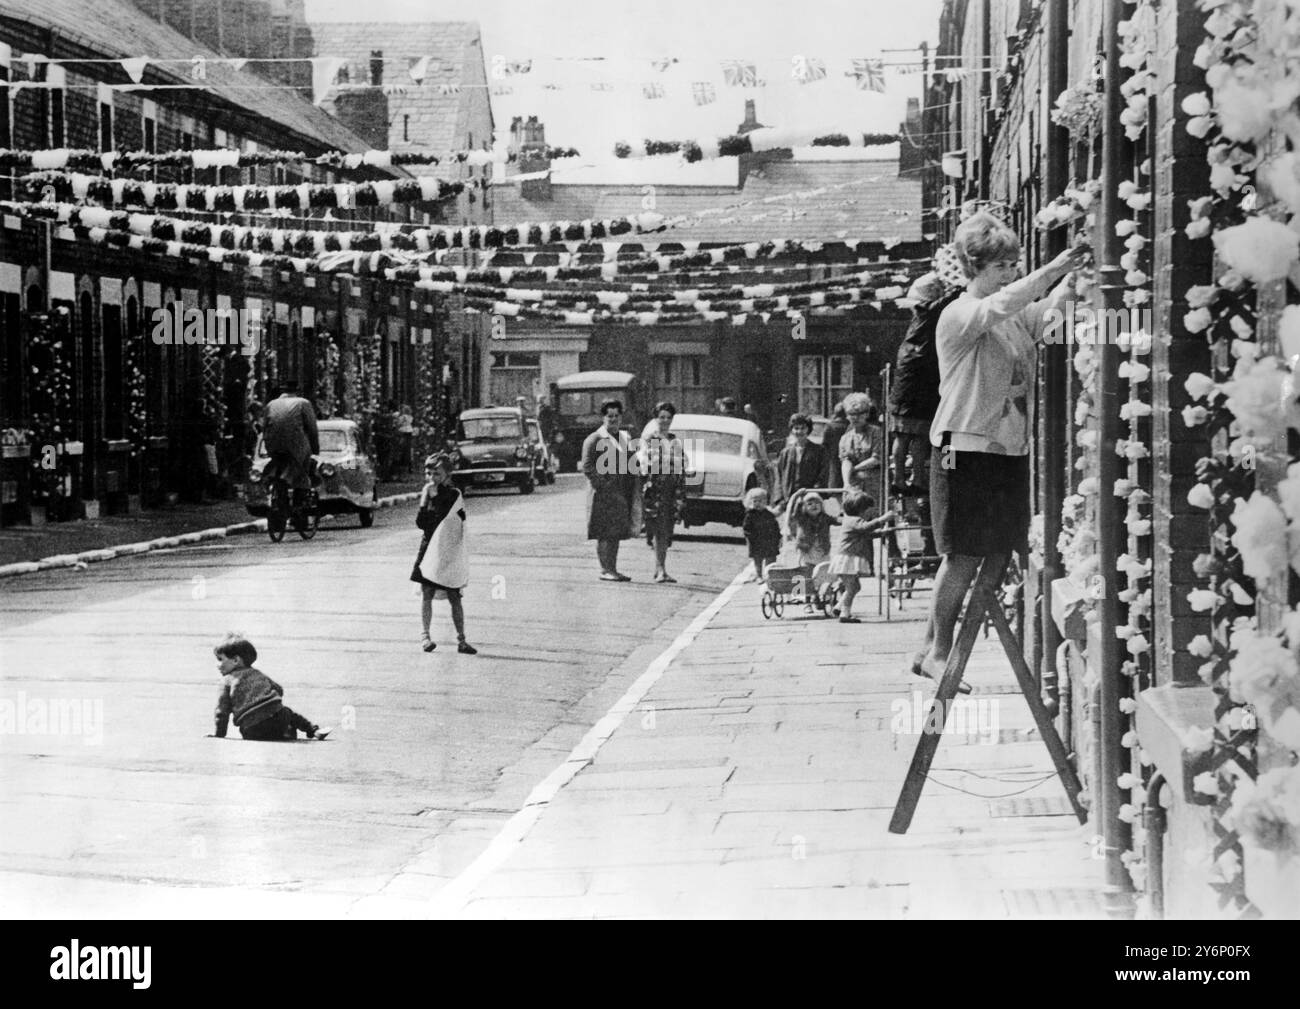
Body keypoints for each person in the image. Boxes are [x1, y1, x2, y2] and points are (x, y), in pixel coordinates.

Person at [915, 211, 1091, 685]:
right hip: (961, 449)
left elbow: (1045, 315)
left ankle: (943, 640)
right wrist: (1052, 268)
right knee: (963, 554)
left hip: (1007, 451)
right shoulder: (959, 314)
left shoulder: (1011, 317)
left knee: (997, 548)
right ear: (974, 268)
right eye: (1001, 267)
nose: (1011, 274)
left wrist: (1073, 279)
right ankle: (936, 649)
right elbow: (1010, 303)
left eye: (1015, 264)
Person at [890, 265, 962, 495]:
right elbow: (945, 302)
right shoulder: (928, 312)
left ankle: (899, 478)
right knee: (921, 435)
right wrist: (960, 285)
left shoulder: (918, 318)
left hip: (906, 380)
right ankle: (917, 479)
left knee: (903, 434)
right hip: (921, 378)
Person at [410, 453, 477, 654]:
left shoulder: (455, 494)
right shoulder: (427, 491)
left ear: (447, 474)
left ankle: (462, 640)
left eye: (437, 473)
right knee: (427, 593)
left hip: (448, 550)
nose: (432, 477)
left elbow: (459, 523)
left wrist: (436, 500)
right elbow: (421, 522)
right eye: (429, 473)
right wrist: (427, 498)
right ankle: (425, 636)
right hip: (429, 547)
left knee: (454, 594)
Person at [210, 633, 330, 741]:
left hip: (252, 728)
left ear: (236, 660)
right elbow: (279, 689)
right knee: (289, 714)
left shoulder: (226, 681)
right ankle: (313, 730)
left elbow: (221, 711)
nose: (217, 665)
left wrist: (219, 734)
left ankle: (283, 732)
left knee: (252, 731)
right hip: (278, 718)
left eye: (220, 659)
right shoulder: (257, 673)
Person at [581, 399, 640, 581]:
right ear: (603, 417)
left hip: (621, 492)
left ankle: (612, 568)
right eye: (609, 416)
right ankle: (605, 570)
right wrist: (603, 486)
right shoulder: (594, 439)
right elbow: (587, 466)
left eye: (616, 415)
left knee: (615, 533)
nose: (613, 419)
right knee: (604, 532)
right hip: (602, 494)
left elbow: (632, 462)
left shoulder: (624, 438)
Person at [639, 401, 689, 583]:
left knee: (667, 530)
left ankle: (660, 568)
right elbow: (643, 465)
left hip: (672, 489)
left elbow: (684, 463)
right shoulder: (648, 440)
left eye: (668, 418)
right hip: (656, 490)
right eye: (661, 417)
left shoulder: (675, 440)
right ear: (655, 419)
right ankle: (661, 569)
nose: (665, 421)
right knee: (658, 529)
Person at [827, 491, 893, 624]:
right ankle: (845, 614)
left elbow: (865, 534)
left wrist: (882, 533)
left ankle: (839, 607)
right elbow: (866, 528)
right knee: (852, 587)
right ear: (861, 509)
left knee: (855, 587)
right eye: (869, 510)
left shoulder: (852, 522)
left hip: (847, 559)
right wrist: (882, 520)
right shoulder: (854, 520)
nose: (870, 513)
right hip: (847, 559)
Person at [262, 381, 319, 504]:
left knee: (276, 463)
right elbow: (312, 429)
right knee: (303, 469)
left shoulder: (271, 404)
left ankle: (274, 487)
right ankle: (300, 498)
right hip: (296, 445)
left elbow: (264, 427)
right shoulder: (303, 403)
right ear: (297, 391)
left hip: (273, 445)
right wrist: (315, 450)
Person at [773, 412, 829, 511]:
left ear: (808, 429)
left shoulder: (819, 450)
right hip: (789, 499)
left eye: (803, 428)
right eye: (796, 428)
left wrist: (814, 493)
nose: (799, 431)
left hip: (810, 498)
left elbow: (823, 474)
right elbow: (779, 476)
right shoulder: (785, 452)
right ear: (792, 430)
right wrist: (780, 498)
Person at [839, 391, 884, 493]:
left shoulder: (876, 432)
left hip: (874, 484)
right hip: (854, 485)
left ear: (867, 414)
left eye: (859, 414)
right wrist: (846, 484)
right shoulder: (845, 438)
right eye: (851, 414)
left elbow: (877, 458)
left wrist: (854, 469)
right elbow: (845, 461)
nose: (855, 417)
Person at [785, 489, 836, 568]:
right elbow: (793, 511)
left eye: (817, 503)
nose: (814, 506)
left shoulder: (825, 518)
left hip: (822, 548)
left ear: (821, 506)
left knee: (822, 568)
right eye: (809, 504)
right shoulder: (802, 518)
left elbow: (839, 521)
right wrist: (797, 496)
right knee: (807, 568)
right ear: (804, 507)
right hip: (807, 549)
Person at [741, 486, 781, 582]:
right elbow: (746, 528)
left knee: (771, 558)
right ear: (750, 502)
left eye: (760, 501)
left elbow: (775, 526)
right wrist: (750, 537)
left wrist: (778, 537)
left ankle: (769, 575)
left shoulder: (769, 514)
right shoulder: (750, 515)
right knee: (758, 559)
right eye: (755, 501)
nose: (758, 504)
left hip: (769, 540)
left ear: (765, 502)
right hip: (756, 540)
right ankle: (759, 575)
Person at [822, 402, 849, 489]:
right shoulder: (849, 425)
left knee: (834, 474)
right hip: (846, 454)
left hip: (833, 454)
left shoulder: (830, 426)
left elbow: (825, 443)